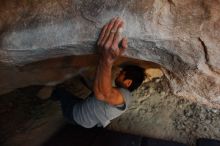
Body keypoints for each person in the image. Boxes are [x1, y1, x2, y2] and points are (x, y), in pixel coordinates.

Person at [50, 17, 145, 128]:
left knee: (61, 93)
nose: (118, 73)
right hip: (85, 114)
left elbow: (102, 94)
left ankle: (50, 94)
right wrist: (101, 61)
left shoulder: (124, 95)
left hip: (77, 115)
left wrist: (107, 59)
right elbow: (99, 91)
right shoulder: (120, 94)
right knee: (75, 98)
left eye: (122, 73)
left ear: (128, 82)